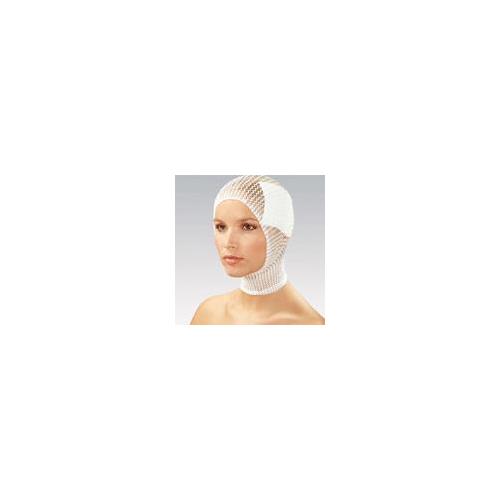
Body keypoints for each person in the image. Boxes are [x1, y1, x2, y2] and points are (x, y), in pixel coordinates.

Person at [190, 175, 325, 325]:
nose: (228, 243)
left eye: (247, 227)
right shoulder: (208, 313)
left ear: (281, 232)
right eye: (221, 227)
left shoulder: (310, 324)